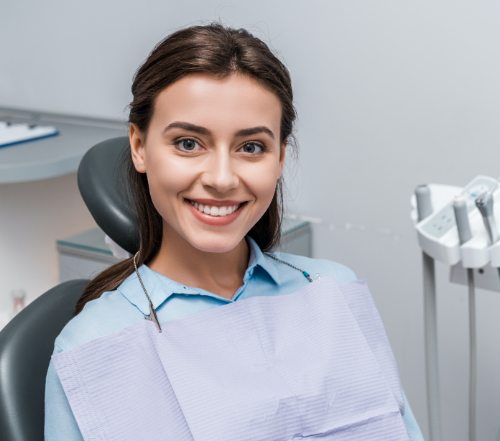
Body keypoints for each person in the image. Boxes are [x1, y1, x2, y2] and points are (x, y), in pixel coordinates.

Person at [45, 23, 423, 440]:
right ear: (138, 146)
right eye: (188, 143)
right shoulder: (93, 345)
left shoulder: (331, 290)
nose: (222, 178)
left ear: (280, 156)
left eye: (251, 147)